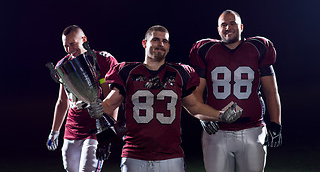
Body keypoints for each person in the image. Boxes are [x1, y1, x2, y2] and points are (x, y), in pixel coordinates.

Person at [87, 25, 242, 172]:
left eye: (165, 41)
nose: (160, 44)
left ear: (168, 46)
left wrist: (220, 115)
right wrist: (97, 106)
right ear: (144, 43)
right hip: (134, 155)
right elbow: (109, 104)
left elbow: (195, 107)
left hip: (171, 156)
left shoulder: (180, 73)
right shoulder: (127, 71)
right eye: (155, 39)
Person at [189, 10, 282, 172]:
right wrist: (203, 117)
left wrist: (276, 123)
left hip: (253, 129)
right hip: (217, 131)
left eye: (232, 23)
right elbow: (197, 92)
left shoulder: (258, 47)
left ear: (241, 26)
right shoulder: (205, 50)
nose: (228, 27)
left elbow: (271, 91)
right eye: (223, 24)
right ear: (218, 29)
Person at [46, 25, 118, 172]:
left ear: (84, 40)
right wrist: (54, 131)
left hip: (96, 128)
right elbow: (62, 102)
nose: (69, 49)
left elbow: (112, 100)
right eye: (65, 46)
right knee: (70, 169)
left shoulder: (102, 60)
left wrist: (107, 135)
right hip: (72, 127)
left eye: (73, 44)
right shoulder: (63, 65)